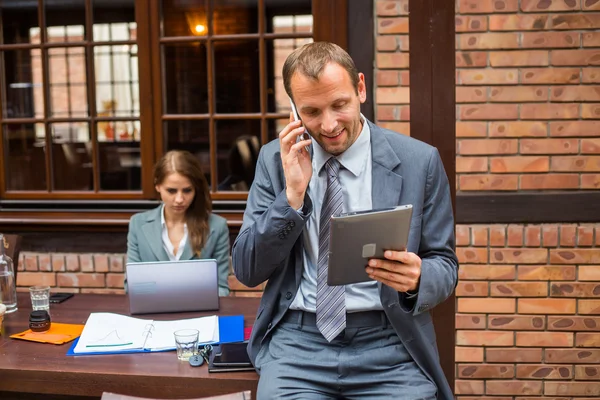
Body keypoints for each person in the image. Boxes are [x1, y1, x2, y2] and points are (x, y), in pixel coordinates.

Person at [232, 42, 458, 399]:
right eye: (311, 111)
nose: (329, 124)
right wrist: (291, 197)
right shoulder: (275, 160)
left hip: (389, 345)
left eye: (339, 105)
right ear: (294, 110)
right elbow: (246, 268)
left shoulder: (420, 161)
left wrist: (418, 278)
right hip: (298, 344)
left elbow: (445, 265)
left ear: (361, 89)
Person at [127, 150, 230, 296]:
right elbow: (132, 286)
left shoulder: (217, 226)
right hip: (153, 314)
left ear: (196, 189)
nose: (179, 199)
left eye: (187, 190)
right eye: (171, 191)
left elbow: (221, 288)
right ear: (157, 185)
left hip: (199, 314)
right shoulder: (138, 224)